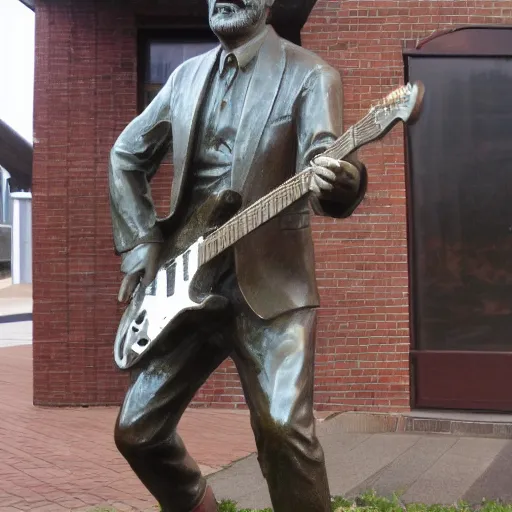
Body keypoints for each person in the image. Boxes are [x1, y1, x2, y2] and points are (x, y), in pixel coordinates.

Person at [109, 1, 367, 511]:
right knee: (137, 432)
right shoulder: (184, 77)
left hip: (272, 285)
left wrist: (339, 179)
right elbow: (126, 155)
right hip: (186, 281)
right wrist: (142, 244)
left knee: (283, 429)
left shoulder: (311, 74)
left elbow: (326, 152)